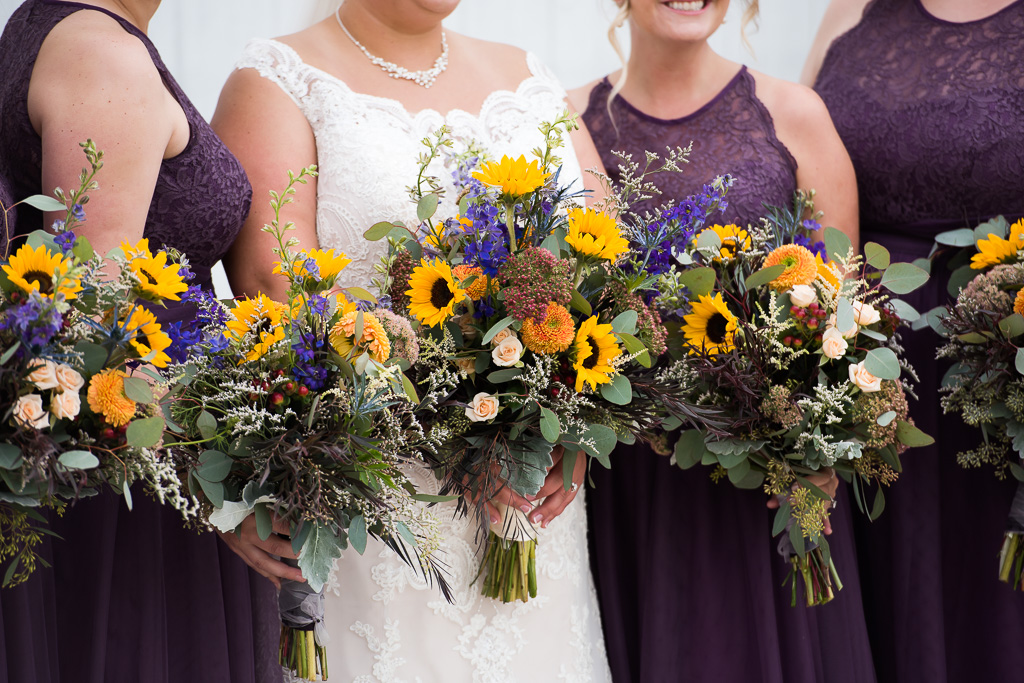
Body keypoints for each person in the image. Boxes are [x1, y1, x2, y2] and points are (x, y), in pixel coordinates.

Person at [211, 0, 612, 680]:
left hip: (535, 507)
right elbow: (280, 299)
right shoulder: (276, 80)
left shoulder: (528, 75)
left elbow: (606, 271)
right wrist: (466, 432)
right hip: (384, 518)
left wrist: (572, 420)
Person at [568, 1, 872, 681]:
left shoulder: (794, 115)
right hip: (631, 488)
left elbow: (846, 315)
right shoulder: (568, 126)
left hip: (764, 488)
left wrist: (825, 446)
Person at [0, 2, 280, 681]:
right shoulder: (101, 55)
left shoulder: (64, 26)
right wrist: (211, 488)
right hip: (143, 481)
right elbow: (98, 321)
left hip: (142, 459)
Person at [806, 1, 1024, 681]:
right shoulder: (851, 10)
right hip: (871, 383)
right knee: (885, 609)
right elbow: (800, 173)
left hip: (996, 382)